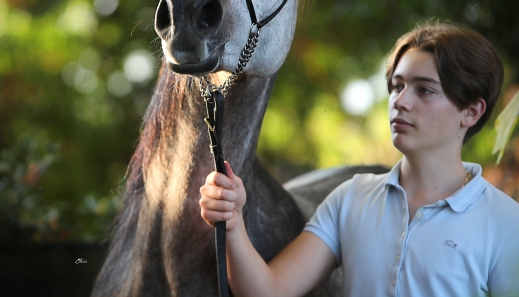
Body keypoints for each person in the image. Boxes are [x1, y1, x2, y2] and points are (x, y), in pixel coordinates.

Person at [199, 21, 519, 297]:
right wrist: (233, 222)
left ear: (471, 111)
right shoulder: (351, 198)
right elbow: (268, 290)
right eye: (397, 86)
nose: (400, 101)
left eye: (424, 90)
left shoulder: (506, 224)